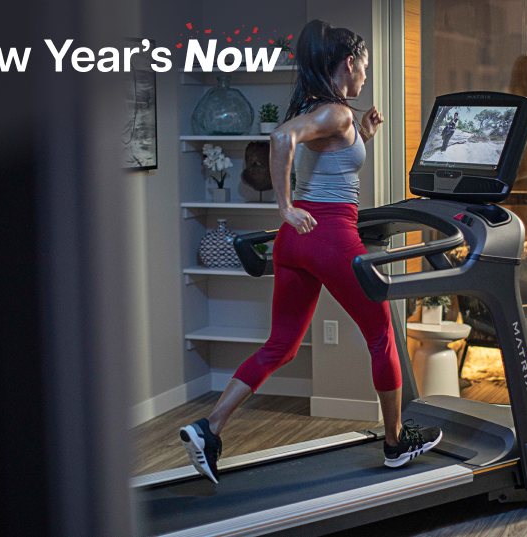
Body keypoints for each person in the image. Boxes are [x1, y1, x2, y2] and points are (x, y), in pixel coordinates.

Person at [179, 19, 443, 484]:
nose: (365, 76)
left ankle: (209, 427)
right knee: (381, 336)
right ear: (349, 63)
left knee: (281, 345)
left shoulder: (330, 114)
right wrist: (283, 205)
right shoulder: (334, 113)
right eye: (364, 67)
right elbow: (281, 138)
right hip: (328, 235)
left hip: (296, 243)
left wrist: (363, 133)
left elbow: (328, 160)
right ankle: (396, 442)